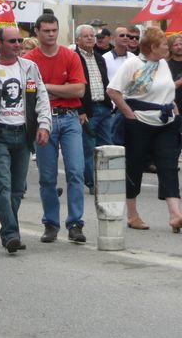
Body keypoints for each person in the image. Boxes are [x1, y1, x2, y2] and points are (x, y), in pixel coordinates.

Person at [0, 26, 51, 252]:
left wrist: (44, 124)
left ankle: (9, 228)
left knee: (18, 188)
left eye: (19, 41)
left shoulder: (30, 68)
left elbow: (42, 98)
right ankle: (10, 234)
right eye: (12, 41)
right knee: (3, 186)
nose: (17, 45)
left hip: (23, 134)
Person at [108, 27, 182, 232]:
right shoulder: (133, 63)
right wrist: (129, 115)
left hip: (165, 123)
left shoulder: (163, 65)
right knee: (135, 167)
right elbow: (113, 91)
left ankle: (175, 214)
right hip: (139, 123)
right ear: (152, 47)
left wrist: (174, 110)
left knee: (168, 167)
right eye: (164, 45)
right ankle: (132, 215)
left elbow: (168, 91)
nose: (168, 47)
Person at [24, 13, 87, 244]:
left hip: (70, 117)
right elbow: (28, 93)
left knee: (75, 172)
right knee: (47, 176)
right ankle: (51, 223)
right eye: (46, 31)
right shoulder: (29, 59)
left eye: (54, 30)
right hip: (44, 119)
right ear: (37, 32)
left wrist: (46, 88)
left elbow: (79, 90)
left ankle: (75, 223)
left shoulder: (70, 56)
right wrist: (62, 88)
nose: (51, 34)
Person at [74, 25, 112, 194]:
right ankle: (92, 184)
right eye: (86, 36)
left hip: (103, 107)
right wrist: (80, 110)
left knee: (107, 147)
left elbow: (104, 81)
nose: (90, 38)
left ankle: (106, 180)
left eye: (92, 36)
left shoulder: (99, 58)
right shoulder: (73, 57)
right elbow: (74, 86)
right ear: (77, 40)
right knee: (88, 149)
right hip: (87, 110)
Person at [168, 34, 182, 112]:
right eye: (175, 45)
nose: (179, 47)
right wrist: (179, 82)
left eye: (181, 44)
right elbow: (164, 89)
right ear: (170, 48)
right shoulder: (166, 66)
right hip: (175, 110)